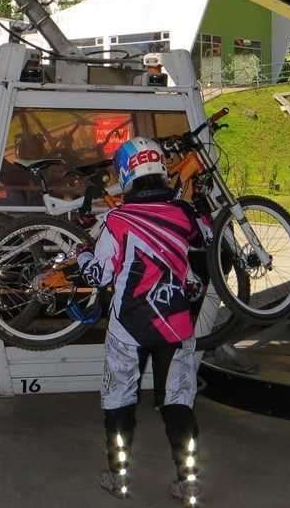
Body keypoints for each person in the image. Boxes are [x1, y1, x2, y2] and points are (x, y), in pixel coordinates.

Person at [46, 137, 206, 506]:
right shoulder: (183, 214)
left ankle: (118, 478)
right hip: (176, 325)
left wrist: (84, 253)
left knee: (120, 401)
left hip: (129, 328)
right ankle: (189, 482)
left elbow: (99, 276)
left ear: (125, 173)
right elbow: (204, 237)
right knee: (178, 403)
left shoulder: (118, 220)